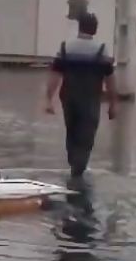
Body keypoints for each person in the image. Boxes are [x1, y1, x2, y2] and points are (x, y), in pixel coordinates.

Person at [42, 12, 118, 179]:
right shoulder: (102, 49)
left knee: (72, 130)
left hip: (68, 95)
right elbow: (110, 79)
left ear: (79, 27)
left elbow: (55, 75)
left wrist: (48, 100)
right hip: (90, 97)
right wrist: (113, 104)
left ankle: (74, 165)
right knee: (87, 133)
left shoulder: (66, 47)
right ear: (95, 30)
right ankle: (78, 170)